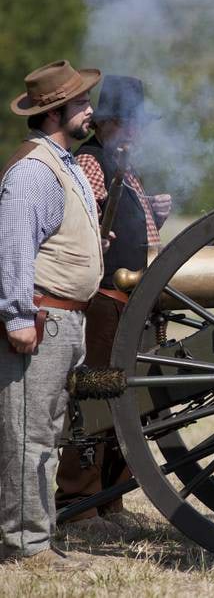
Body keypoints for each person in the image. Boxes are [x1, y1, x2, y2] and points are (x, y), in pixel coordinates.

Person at [55, 75, 171, 535]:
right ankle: (79, 501)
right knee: (97, 396)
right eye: (135, 123)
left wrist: (153, 216)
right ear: (114, 124)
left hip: (132, 301)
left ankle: (113, 499)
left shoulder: (125, 167)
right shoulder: (92, 163)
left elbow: (123, 226)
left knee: (128, 401)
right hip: (105, 301)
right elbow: (80, 225)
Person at [0, 60, 104, 568]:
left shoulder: (64, 164)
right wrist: (18, 315)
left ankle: (38, 538)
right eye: (82, 103)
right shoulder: (35, 170)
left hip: (65, 318)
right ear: (54, 113)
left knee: (48, 432)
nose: (91, 110)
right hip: (40, 316)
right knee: (29, 433)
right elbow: (15, 246)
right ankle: (26, 546)